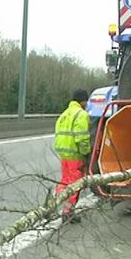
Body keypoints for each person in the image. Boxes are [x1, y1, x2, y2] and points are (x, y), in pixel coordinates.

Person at [53, 89, 91, 223]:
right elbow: (82, 137)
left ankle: (51, 205)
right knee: (75, 184)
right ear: (83, 101)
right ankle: (68, 212)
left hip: (64, 154)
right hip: (75, 155)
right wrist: (86, 152)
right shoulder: (81, 114)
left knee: (65, 181)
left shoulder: (65, 114)